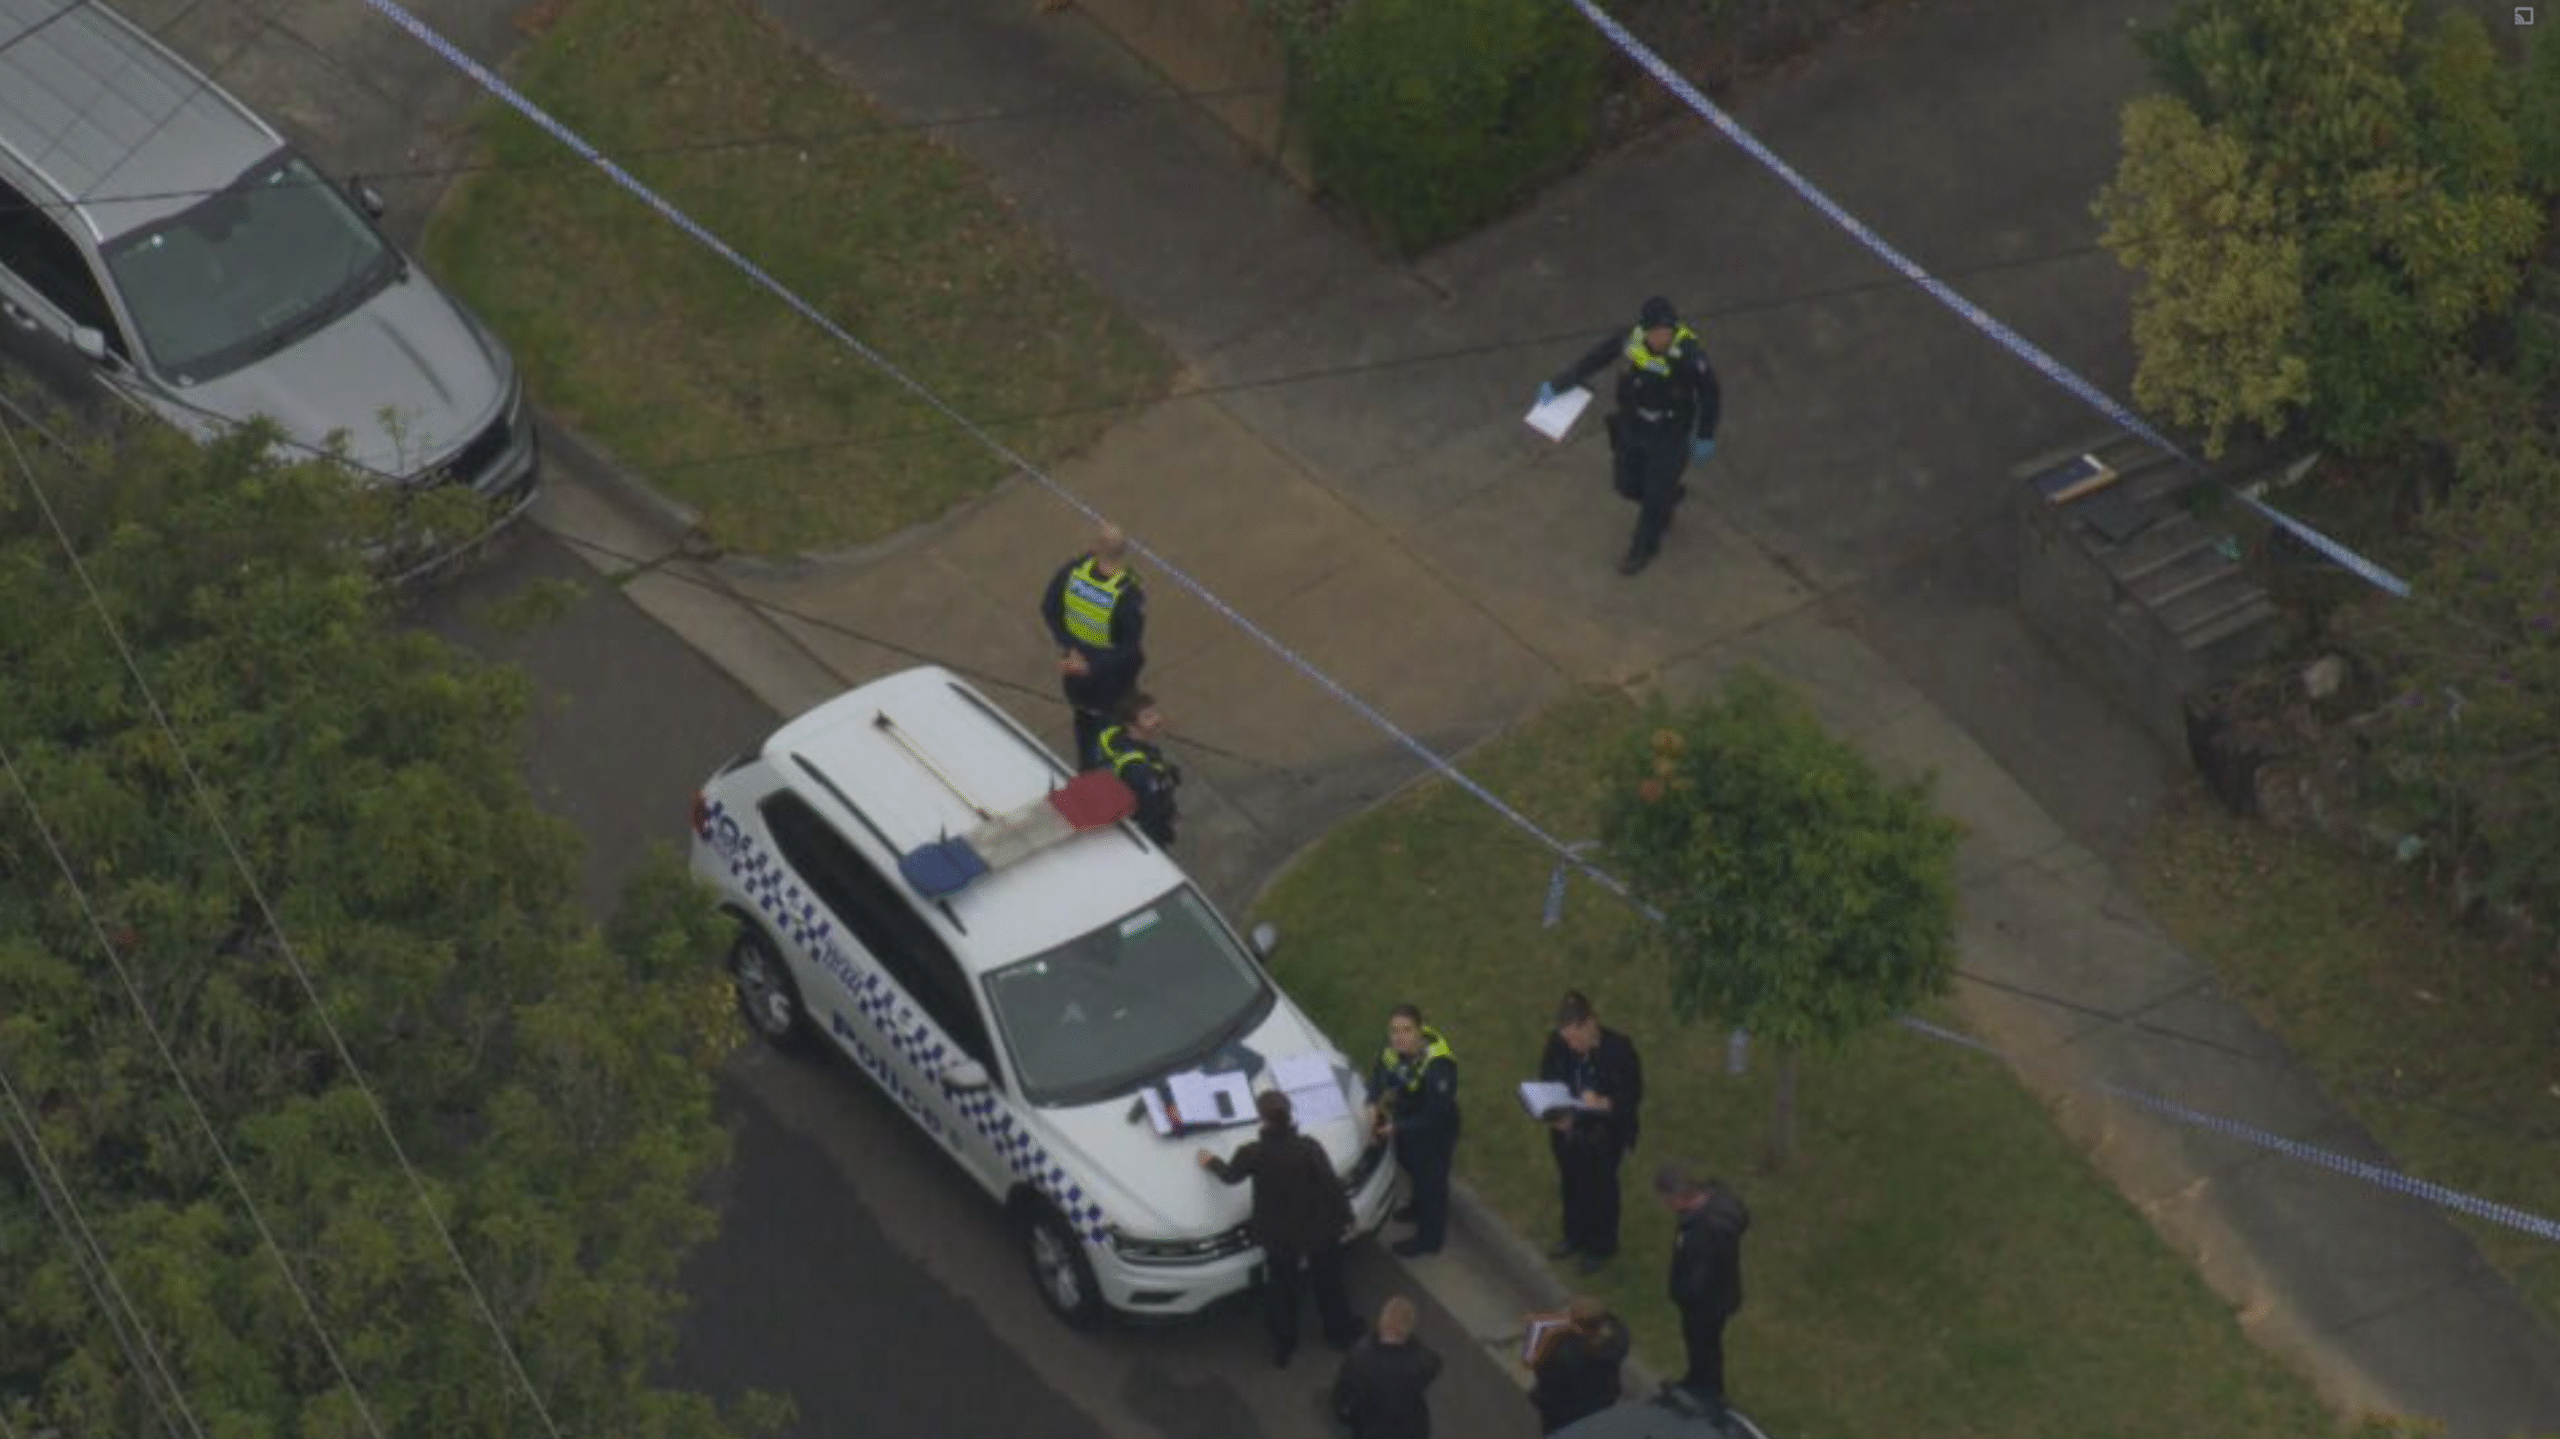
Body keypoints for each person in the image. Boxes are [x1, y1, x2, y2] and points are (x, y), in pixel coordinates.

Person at [1539, 296, 1723, 576]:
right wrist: (1561, 383)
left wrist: (1705, 434)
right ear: (1645, 330)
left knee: (1653, 496)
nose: (1663, 337)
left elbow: (1710, 393)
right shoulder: (1630, 340)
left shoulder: (1688, 355)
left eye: (1667, 331)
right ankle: (1668, 499)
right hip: (1634, 424)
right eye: (1657, 332)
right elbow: (1597, 358)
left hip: (1669, 432)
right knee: (1625, 485)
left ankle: (1642, 549)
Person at [1198, 1089, 1363, 1367]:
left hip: (1279, 1235)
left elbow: (1230, 1176)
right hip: (1317, 1228)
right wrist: (1349, 1218)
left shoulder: (1253, 1153)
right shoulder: (1308, 1147)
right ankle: (1339, 1333)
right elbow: (1330, 1185)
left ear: (1262, 1119)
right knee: (1329, 1283)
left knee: (1282, 1290)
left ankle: (1284, 1345)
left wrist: (1210, 1161)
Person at [1539, 991, 1645, 1270]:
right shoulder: (1558, 1045)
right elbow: (1548, 1076)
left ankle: (1601, 1245)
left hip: (1603, 1133)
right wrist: (1556, 1113)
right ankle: (1574, 1235)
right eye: (1567, 1040)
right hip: (1568, 1125)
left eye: (1576, 1038)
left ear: (1590, 1025)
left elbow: (1632, 1095)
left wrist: (1605, 1102)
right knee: (1571, 1181)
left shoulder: (1618, 1051)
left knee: (1600, 1187)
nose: (1572, 1046)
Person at [1038, 521, 1147, 768]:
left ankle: (1087, 773)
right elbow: (1130, 648)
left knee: (1085, 726)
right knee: (1116, 732)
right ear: (1125, 551)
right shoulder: (1127, 592)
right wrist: (1094, 666)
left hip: (1075, 673)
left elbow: (1049, 608)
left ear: (1096, 546)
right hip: (1112, 677)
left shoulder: (1073, 572)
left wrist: (1070, 648)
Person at [1655, 1162, 1751, 1426]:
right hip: (1720, 1294)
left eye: (1666, 1199)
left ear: (1679, 1196)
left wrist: (1682, 1294)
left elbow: (1698, 1274)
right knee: (1703, 1346)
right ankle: (1697, 1380)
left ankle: (1708, 1392)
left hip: (1706, 1303)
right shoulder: (1717, 1208)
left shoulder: (1703, 1230)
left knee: (1704, 1344)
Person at [1364, 1004, 1459, 1258]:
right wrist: (1372, 1101)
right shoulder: (1394, 1048)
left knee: (1432, 1185)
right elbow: (1380, 1071)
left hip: (1434, 1131)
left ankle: (1430, 1239)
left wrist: (1397, 1127)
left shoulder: (1438, 1066)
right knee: (1412, 1167)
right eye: (1394, 1031)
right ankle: (1417, 1207)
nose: (1399, 1037)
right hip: (1409, 1117)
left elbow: (1437, 1115)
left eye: (1406, 1030)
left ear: (1419, 1030)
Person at [1331, 1295, 1442, 1439]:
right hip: (1411, 1429)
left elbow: (1347, 1400)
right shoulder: (1424, 1360)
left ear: (1382, 1321)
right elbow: (1434, 1364)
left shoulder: (1360, 1358)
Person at [1528, 1294, 1631, 1435]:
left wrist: (1550, 1339)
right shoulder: (1617, 1341)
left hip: (1564, 1410)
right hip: (1601, 1402)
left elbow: (1542, 1373)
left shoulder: (1569, 1353)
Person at [1094, 690, 1181, 846]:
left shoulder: (1116, 743)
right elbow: (1153, 806)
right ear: (1130, 724)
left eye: (1155, 713)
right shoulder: (1138, 769)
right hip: (1145, 828)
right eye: (1148, 717)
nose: (1157, 720)